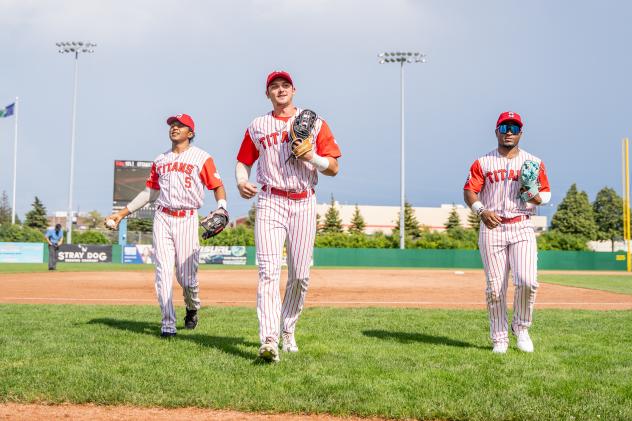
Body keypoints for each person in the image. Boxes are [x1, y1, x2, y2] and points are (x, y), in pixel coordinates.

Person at [235, 70, 341, 362]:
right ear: (267, 93)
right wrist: (241, 181)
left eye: (284, 85)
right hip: (270, 200)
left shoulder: (316, 124)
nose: (280, 90)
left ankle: (287, 330)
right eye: (274, 86)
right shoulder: (258, 125)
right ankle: (268, 339)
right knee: (268, 272)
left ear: (293, 90)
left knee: (300, 275)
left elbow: (333, 167)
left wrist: (313, 158)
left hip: (304, 201)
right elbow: (243, 160)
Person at [105, 114, 226, 338]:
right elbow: (150, 192)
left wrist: (222, 207)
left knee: (187, 278)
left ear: (190, 133)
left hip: (188, 218)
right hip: (163, 217)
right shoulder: (160, 160)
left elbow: (217, 185)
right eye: (172, 125)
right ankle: (167, 325)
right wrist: (122, 213)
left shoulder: (202, 158)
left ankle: (192, 307)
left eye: (180, 125)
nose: (174, 128)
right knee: (162, 273)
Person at [463, 111, 551, 354]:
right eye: (504, 128)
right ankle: (499, 339)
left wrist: (531, 192)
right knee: (495, 288)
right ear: (496, 132)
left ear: (521, 132)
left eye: (514, 128)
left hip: (522, 224)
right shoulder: (483, 162)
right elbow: (470, 191)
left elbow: (544, 196)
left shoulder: (534, 161)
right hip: (493, 227)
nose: (509, 132)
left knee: (528, 282)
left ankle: (521, 328)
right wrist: (481, 211)